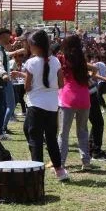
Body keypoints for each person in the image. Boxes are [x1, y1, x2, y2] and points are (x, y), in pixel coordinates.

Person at [21, 30, 69, 181]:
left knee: (35, 139)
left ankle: (37, 172)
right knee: (51, 139)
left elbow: (27, 87)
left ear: (34, 46)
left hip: (35, 105)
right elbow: (61, 83)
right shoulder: (55, 61)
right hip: (52, 105)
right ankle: (59, 170)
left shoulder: (31, 62)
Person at [57, 35, 94, 170]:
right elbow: (93, 70)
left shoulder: (62, 59)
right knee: (83, 131)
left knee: (63, 133)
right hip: (84, 98)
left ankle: (60, 162)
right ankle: (86, 161)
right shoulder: (82, 60)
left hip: (68, 98)